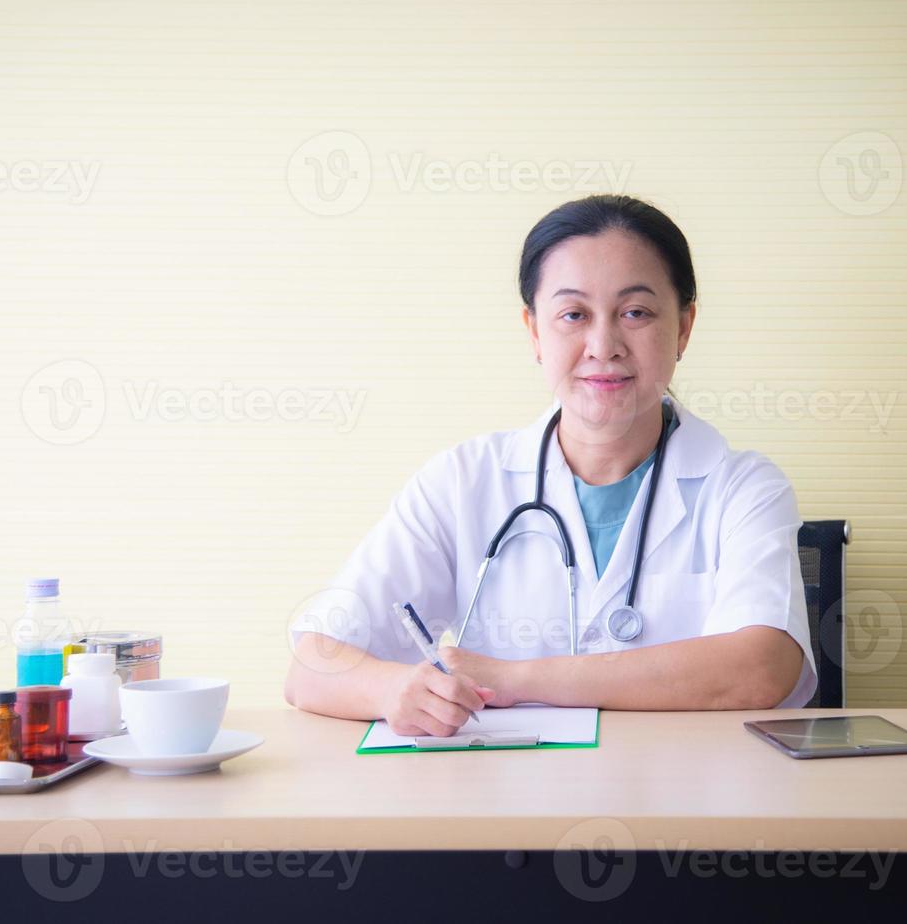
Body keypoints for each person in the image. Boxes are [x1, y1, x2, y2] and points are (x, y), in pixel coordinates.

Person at [285, 194, 816, 738]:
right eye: (573, 315)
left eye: (635, 312)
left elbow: (761, 668)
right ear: (535, 331)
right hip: (507, 812)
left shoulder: (744, 487)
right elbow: (311, 666)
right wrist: (392, 690)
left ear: (683, 328)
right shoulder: (462, 481)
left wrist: (513, 679)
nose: (603, 345)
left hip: (688, 808)